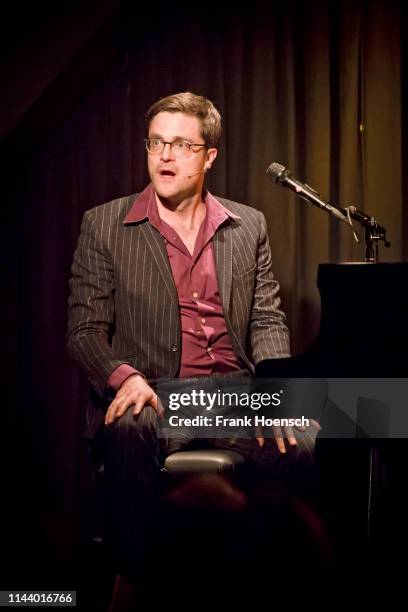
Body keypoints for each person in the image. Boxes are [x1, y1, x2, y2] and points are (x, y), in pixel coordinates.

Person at [66, 92, 319, 583]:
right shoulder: (105, 224)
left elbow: (267, 320)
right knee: (128, 424)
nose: (164, 155)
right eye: (156, 142)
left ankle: (284, 582)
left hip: (231, 395)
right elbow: (84, 331)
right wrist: (126, 378)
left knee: (343, 421)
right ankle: (137, 584)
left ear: (209, 156)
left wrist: (278, 393)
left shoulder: (248, 226)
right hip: (156, 394)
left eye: (181, 144)